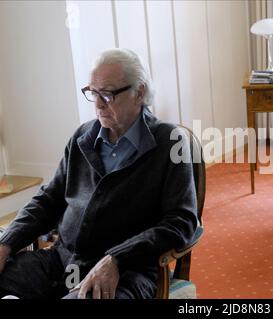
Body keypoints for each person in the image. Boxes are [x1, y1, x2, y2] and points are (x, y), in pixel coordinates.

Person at [0, 48, 198, 299]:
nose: (97, 104)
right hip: (63, 261)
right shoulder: (83, 137)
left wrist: (116, 258)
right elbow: (48, 199)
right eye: (93, 93)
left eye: (107, 94)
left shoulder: (169, 143)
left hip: (127, 270)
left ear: (139, 92)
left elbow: (182, 221)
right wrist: (6, 242)